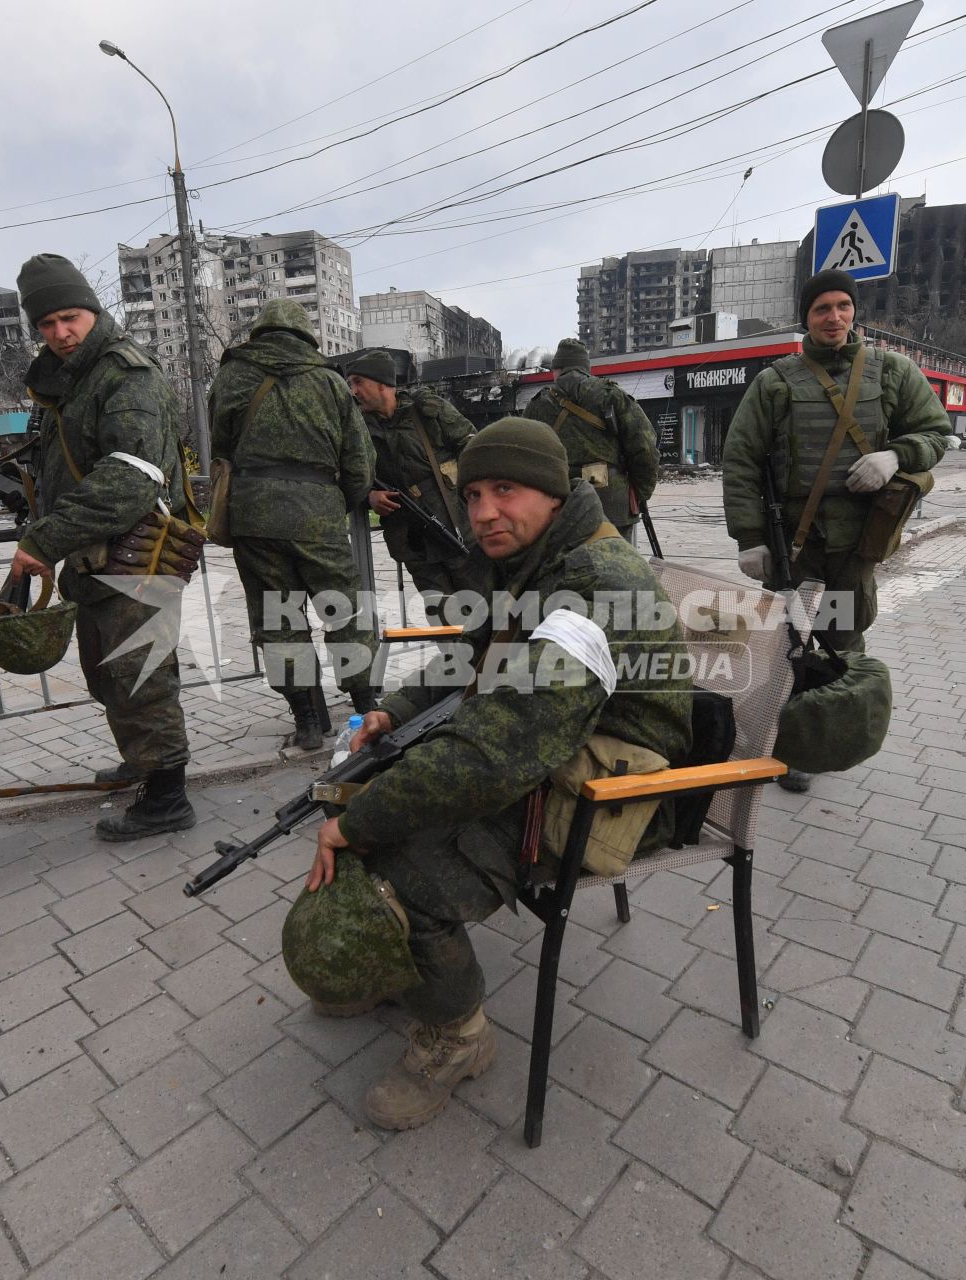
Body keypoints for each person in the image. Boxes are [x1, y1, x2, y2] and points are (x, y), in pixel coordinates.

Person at [285, 418, 692, 1131]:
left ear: (555, 494)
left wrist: (361, 822)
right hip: (547, 752)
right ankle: (400, 960)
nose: (483, 514)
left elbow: (490, 756)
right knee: (370, 794)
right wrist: (394, 713)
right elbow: (476, 660)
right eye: (471, 495)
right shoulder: (537, 560)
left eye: (505, 490)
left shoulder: (595, 586)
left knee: (399, 862)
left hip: (609, 794)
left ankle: (458, 1038)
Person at [721, 267, 951, 790]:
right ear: (806, 317)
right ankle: (789, 744)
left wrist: (896, 455)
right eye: (822, 308)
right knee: (790, 642)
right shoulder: (776, 382)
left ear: (854, 312)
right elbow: (741, 460)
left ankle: (836, 736)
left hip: (857, 540)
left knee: (844, 637)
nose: (834, 317)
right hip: (795, 542)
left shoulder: (891, 372)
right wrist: (749, 538)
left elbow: (935, 432)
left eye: (842, 306)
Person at [8, 254, 196, 842]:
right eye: (46, 324)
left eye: (71, 318)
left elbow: (131, 476)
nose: (61, 333)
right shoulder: (73, 382)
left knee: (139, 675)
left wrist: (45, 538)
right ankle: (146, 762)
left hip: (136, 554)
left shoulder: (124, 375)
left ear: (93, 310)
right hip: (97, 554)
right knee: (107, 673)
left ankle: (167, 797)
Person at [212, 298, 377, 750]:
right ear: (307, 335)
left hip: (253, 518)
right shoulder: (329, 381)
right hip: (319, 514)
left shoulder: (232, 376)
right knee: (342, 611)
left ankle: (307, 720)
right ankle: (365, 707)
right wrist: (332, 499)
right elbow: (359, 463)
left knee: (278, 618)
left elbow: (221, 449)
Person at [347, 348, 478, 620]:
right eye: (351, 383)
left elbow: (472, 447)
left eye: (359, 382)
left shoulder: (426, 410)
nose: (353, 390)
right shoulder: (357, 428)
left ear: (383, 384)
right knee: (443, 618)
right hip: (413, 540)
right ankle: (457, 662)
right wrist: (369, 496)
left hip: (455, 529)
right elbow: (348, 473)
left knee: (481, 611)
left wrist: (470, 496)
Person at [521, 338, 658, 541]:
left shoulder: (538, 405)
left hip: (558, 508)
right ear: (586, 368)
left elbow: (524, 460)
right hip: (612, 506)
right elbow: (645, 449)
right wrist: (638, 493)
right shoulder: (611, 395)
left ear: (556, 369)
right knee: (617, 567)